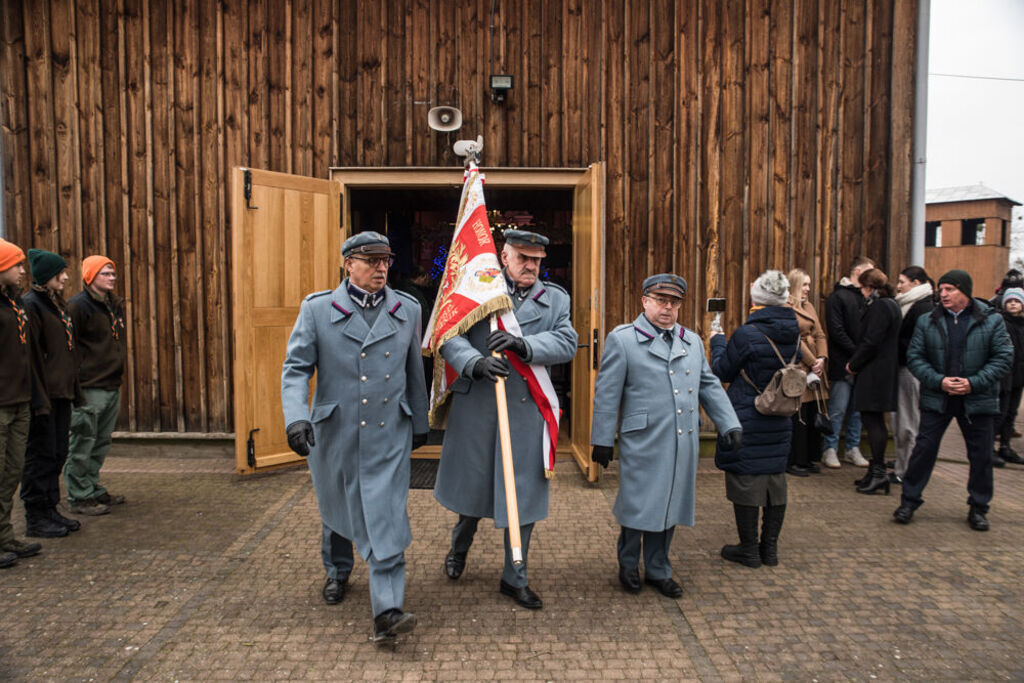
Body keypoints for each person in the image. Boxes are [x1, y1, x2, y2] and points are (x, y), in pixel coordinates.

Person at [281, 231, 428, 645]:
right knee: (339, 506)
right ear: (349, 264)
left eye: (386, 260)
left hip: (388, 433)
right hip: (337, 430)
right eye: (371, 260)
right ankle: (338, 570)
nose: (381, 268)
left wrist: (419, 421)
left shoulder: (407, 309)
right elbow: (295, 369)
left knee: (386, 515)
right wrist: (296, 418)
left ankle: (387, 612)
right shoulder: (317, 310)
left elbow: (414, 369)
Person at [435, 230, 577, 610]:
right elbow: (448, 334)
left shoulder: (555, 299)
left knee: (523, 496)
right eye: (522, 258)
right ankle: (458, 548)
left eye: (536, 260)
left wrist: (524, 346)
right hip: (479, 406)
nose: (530, 266)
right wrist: (474, 362)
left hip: (525, 410)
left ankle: (515, 576)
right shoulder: (477, 288)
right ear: (504, 256)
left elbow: (567, 342)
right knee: (474, 494)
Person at [590, 274, 741, 596]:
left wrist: (729, 423)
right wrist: (601, 439)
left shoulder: (691, 341)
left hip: (681, 439)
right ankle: (628, 564)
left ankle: (659, 568)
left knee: (671, 503)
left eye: (674, 302)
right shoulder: (624, 339)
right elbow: (606, 394)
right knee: (638, 505)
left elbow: (708, 385)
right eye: (661, 300)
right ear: (645, 302)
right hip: (643, 440)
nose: (668, 308)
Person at [893, 269, 1012, 530]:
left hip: (977, 400)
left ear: (964, 292)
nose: (942, 294)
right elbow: (915, 357)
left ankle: (979, 508)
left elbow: (1003, 358)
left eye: (950, 289)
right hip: (938, 398)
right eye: (942, 289)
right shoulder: (928, 320)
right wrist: (939, 381)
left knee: (980, 456)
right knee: (923, 451)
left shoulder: (991, 320)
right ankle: (909, 501)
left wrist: (973, 383)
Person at [710, 270, 800, 568]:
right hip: (780, 412)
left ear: (757, 299)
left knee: (746, 478)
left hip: (748, 412)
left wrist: (717, 341)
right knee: (775, 478)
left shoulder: (748, 334)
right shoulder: (794, 330)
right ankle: (769, 550)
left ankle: (749, 550)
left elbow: (723, 371)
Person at [22, 249, 82, 537]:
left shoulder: (56, 304)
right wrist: (38, 396)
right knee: (41, 455)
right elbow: (32, 356)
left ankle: (50, 508)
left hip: (62, 392)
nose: (66, 277)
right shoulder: (32, 306)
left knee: (58, 452)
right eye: (61, 273)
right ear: (47, 276)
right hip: (44, 395)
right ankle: (36, 515)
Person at [65, 256, 127, 516]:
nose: (111, 277)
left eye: (112, 273)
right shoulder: (78, 307)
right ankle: (79, 495)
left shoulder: (113, 305)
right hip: (90, 385)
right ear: (90, 277)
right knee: (83, 440)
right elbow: (69, 345)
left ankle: (91, 485)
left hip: (111, 383)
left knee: (100, 441)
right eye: (105, 273)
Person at [0, 239, 44, 567]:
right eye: (16, 265)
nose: (22, 270)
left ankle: (4, 536)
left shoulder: (15, 304)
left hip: (19, 402)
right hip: (1, 404)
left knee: (11, 472)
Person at [846, 268, 901, 494]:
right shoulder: (892, 305)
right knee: (874, 420)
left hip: (874, 372)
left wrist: (853, 364)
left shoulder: (880, 306)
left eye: (862, 288)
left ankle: (878, 473)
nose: (862, 293)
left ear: (869, 287)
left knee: (873, 421)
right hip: (884, 371)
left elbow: (871, 340)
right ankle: (875, 472)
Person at [822, 256, 875, 467]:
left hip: (863, 364)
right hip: (842, 363)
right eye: (870, 271)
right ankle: (830, 448)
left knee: (857, 409)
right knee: (838, 408)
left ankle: (852, 448)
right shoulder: (838, 297)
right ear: (859, 271)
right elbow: (836, 331)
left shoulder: (870, 298)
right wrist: (857, 353)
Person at [785, 268, 829, 474]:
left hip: (814, 367)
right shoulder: (786, 308)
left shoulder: (809, 306)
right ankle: (795, 460)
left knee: (812, 413)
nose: (808, 289)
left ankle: (810, 457)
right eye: (804, 284)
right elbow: (793, 338)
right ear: (794, 285)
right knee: (798, 414)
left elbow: (820, 333)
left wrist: (822, 358)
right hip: (799, 365)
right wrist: (813, 361)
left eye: (809, 285)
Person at [893, 266, 934, 482]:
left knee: (908, 421)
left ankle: (906, 471)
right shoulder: (913, 304)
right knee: (907, 420)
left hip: (911, 370)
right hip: (908, 368)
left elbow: (918, 342)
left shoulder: (921, 307)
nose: (898, 286)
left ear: (916, 283)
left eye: (902, 282)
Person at [994, 287, 1024, 466]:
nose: (1013, 303)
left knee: (1011, 413)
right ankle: (988, 447)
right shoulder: (1001, 322)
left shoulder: (1022, 324)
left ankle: (1005, 446)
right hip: (1005, 375)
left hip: (1020, 376)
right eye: (1010, 301)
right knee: (1000, 412)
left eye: (1017, 301)